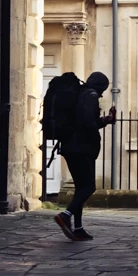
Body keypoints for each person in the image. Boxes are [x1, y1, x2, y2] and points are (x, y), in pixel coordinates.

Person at [55, 72, 115, 242]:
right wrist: (97, 132)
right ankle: (65, 215)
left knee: (80, 188)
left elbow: (84, 120)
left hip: (69, 146)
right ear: (100, 85)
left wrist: (107, 120)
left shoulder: (80, 93)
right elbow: (88, 122)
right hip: (81, 148)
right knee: (88, 187)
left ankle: (78, 228)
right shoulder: (91, 95)